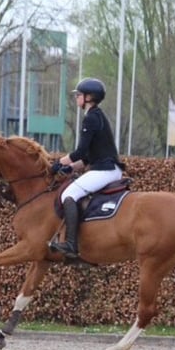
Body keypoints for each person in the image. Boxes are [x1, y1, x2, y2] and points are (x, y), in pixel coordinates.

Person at [49, 78, 125, 258]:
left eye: (79, 95)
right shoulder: (97, 115)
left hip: (105, 171)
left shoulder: (91, 118)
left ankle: (71, 244)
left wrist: (59, 162)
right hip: (106, 168)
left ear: (89, 97)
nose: (77, 98)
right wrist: (71, 168)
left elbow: (80, 152)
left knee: (69, 194)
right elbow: (88, 157)